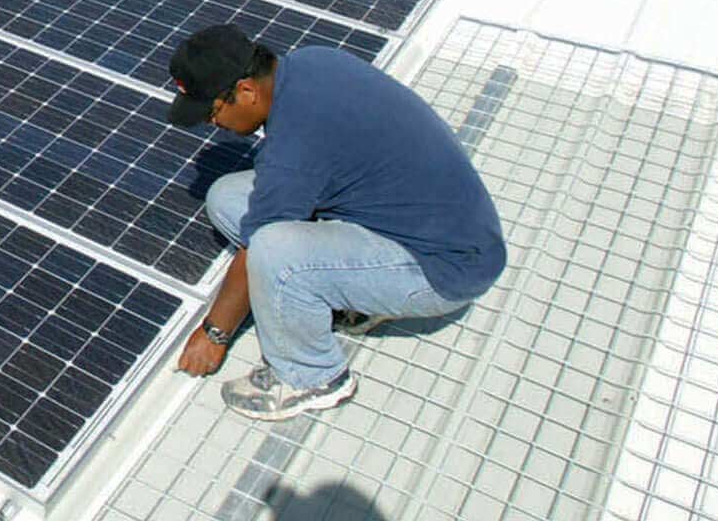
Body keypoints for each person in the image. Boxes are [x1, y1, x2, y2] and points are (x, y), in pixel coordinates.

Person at [165, 23, 505, 420]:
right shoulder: (312, 61)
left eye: (212, 112)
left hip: (442, 268)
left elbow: (258, 244)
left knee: (272, 251)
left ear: (246, 91)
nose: (212, 124)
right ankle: (346, 296)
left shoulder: (294, 149)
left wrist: (214, 333)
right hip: (426, 222)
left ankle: (312, 378)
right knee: (226, 198)